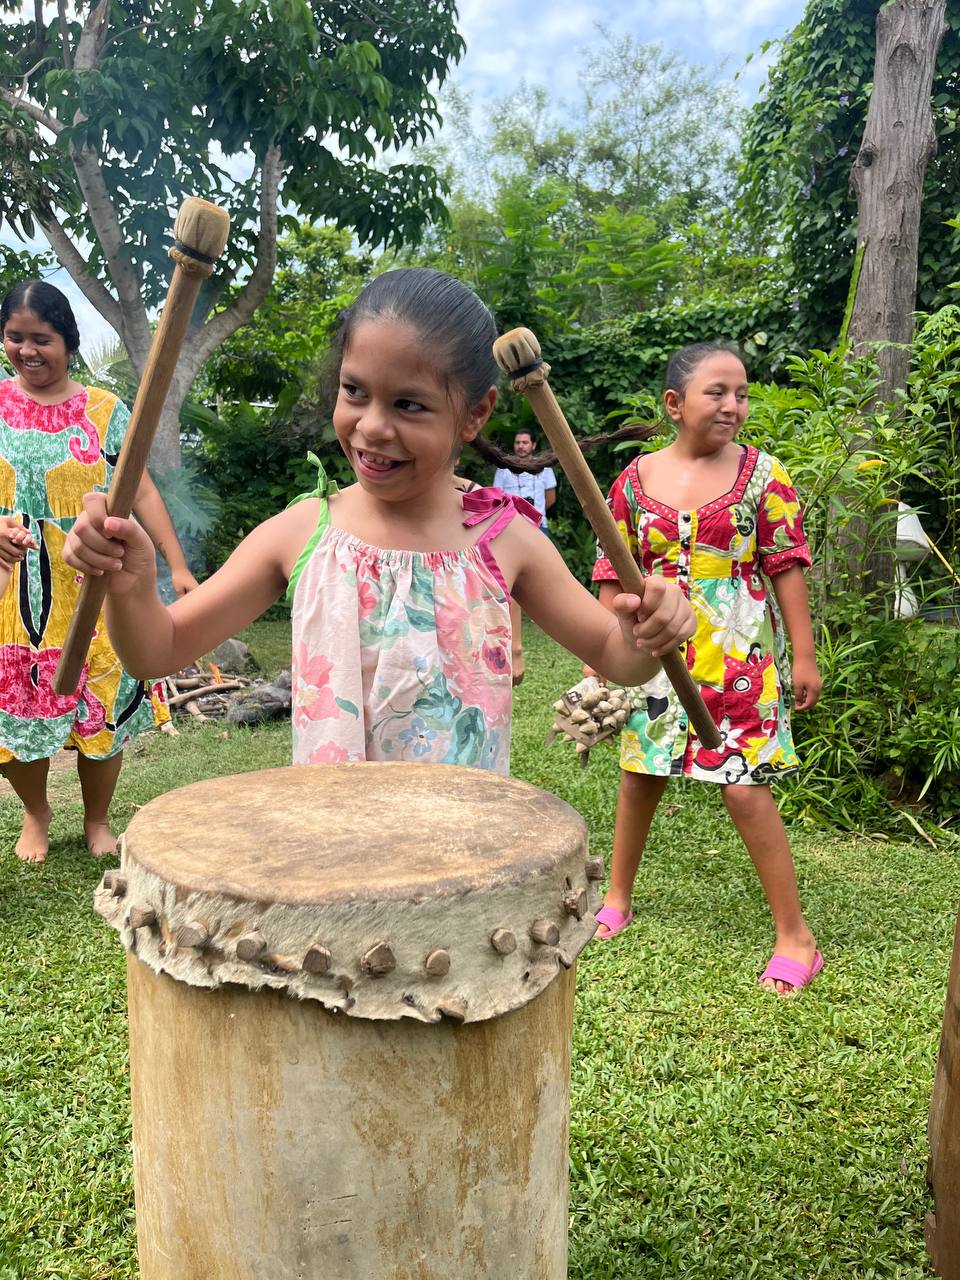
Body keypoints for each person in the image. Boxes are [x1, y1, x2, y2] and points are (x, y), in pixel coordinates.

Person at [64, 268, 694, 778]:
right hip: (337, 856)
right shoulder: (300, 531)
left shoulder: (506, 540)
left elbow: (617, 659)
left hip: (465, 853)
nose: (371, 426)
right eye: (355, 391)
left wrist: (648, 634)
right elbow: (156, 651)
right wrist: (132, 585)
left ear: (475, 414)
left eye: (409, 404)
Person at [590, 342, 823, 996]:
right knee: (641, 776)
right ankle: (615, 897)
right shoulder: (633, 481)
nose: (733, 405)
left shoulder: (764, 475)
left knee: (743, 788)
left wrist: (803, 655)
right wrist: (618, 640)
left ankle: (795, 937)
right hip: (657, 654)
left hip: (739, 657)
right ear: (674, 404)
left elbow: (786, 565)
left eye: (741, 393)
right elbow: (612, 575)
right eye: (716, 391)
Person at [0, 280, 198, 863]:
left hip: (95, 579)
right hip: (16, 584)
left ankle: (96, 819)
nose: (28, 350)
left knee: (105, 699)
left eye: (42, 338)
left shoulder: (105, 410)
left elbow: (136, 485)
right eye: (15, 337)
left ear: (69, 340)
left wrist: (178, 566)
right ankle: (36, 814)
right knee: (18, 702)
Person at [490, 431, 557, 686]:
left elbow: (550, 498)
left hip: (538, 523)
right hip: (510, 525)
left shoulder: (543, 468)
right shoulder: (504, 468)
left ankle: (543, 612)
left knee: (544, 573)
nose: (521, 446)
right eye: (517, 442)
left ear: (533, 445)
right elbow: (496, 496)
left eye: (525, 442)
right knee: (509, 576)